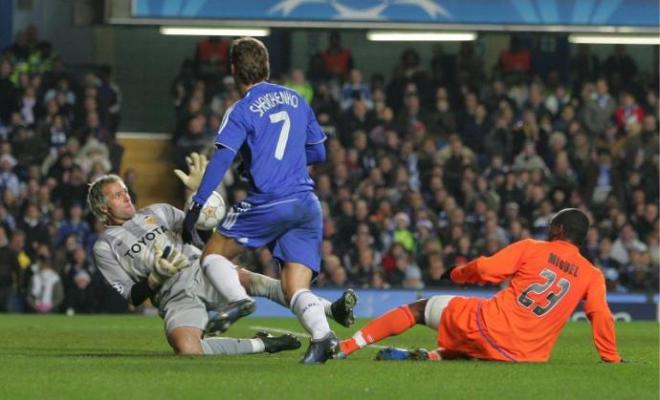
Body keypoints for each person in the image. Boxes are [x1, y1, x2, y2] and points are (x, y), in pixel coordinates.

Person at [181, 37, 337, 363]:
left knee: (212, 256)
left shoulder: (240, 109)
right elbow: (319, 151)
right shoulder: (296, 98)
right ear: (266, 66)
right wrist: (285, 158)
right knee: (294, 287)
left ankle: (238, 300)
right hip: (307, 204)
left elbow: (222, 158)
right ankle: (323, 338)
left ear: (234, 70)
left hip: (270, 200)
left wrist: (197, 204)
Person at [88, 171, 357, 356]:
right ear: (103, 207)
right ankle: (263, 345)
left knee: (256, 282)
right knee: (187, 349)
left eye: (125, 191)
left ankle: (331, 309)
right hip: (171, 296)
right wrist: (155, 278)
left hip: (196, 268)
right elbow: (132, 296)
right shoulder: (104, 246)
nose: (127, 196)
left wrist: (199, 196)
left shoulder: (159, 211)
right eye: (117, 195)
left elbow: (202, 231)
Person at [339, 208, 622, 363]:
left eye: (552, 225)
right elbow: (601, 316)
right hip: (528, 355)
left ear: (559, 230)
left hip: (490, 327)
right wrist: (610, 357)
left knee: (421, 309)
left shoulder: (532, 248)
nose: (549, 229)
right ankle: (432, 357)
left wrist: (456, 275)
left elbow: (487, 269)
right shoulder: (592, 274)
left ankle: (348, 346)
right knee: (475, 338)